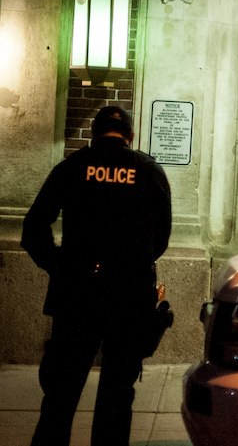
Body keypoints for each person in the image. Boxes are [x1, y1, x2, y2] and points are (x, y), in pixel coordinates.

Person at [21, 105, 172, 446]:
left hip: (76, 296)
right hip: (129, 299)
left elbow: (33, 228)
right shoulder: (148, 171)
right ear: (130, 137)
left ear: (93, 133)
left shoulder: (72, 168)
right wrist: (132, 266)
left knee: (61, 395)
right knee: (117, 398)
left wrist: (60, 265)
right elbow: (161, 238)